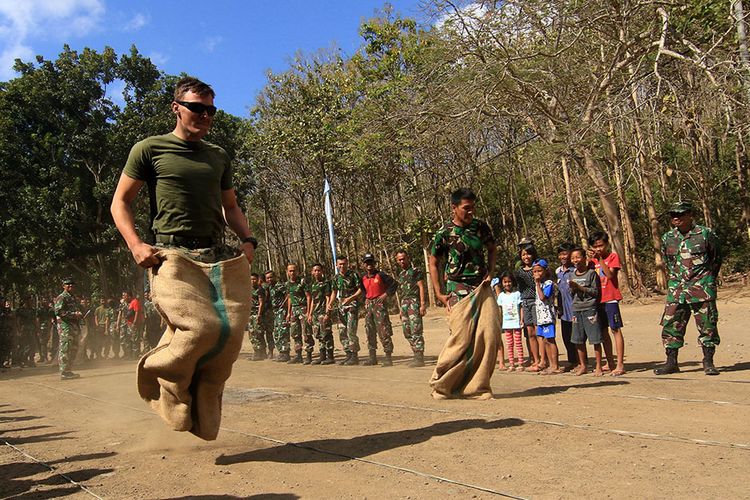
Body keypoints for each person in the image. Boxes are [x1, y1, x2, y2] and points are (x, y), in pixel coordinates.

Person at [110, 76, 256, 440]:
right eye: (196, 108)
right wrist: (136, 245)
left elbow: (231, 206)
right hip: (171, 254)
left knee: (230, 334)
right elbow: (120, 202)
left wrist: (248, 239)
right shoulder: (150, 148)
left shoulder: (218, 155)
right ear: (176, 107)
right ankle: (164, 383)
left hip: (216, 253)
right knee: (200, 328)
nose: (204, 115)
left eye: (210, 110)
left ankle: (205, 400)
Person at [655, 201, 722, 376]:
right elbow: (669, 262)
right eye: (673, 215)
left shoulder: (705, 234)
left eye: (680, 214)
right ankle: (671, 362)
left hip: (701, 288)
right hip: (677, 290)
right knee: (671, 325)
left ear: (690, 215)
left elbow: (716, 259)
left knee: (707, 325)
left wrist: (707, 280)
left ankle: (708, 362)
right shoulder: (668, 238)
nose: (676, 218)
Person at [428, 188, 497, 308]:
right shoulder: (444, 233)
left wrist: (491, 272)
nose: (471, 211)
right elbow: (433, 263)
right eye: (466, 208)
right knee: (461, 326)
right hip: (457, 288)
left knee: (489, 326)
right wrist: (438, 293)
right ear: (454, 208)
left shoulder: (480, 227)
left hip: (481, 285)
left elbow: (492, 249)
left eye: (473, 207)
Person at [588, 231, 626, 376]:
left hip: (610, 298)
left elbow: (610, 275)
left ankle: (620, 364)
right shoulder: (591, 262)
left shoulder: (612, 257)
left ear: (607, 244)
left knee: (615, 330)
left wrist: (601, 260)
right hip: (597, 300)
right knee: (603, 332)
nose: (599, 249)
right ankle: (610, 362)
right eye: (595, 246)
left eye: (601, 245)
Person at [361, 253, 398, 367]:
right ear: (364, 264)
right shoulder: (363, 278)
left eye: (371, 262)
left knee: (383, 330)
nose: (369, 265)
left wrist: (385, 295)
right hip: (369, 307)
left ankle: (388, 357)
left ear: (374, 263)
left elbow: (394, 284)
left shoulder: (380, 275)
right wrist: (365, 298)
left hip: (379, 305)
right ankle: (372, 357)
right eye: (367, 262)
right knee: (369, 331)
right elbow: (362, 290)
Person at [395, 250, 427, 368]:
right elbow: (401, 292)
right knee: (406, 331)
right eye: (399, 259)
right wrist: (400, 309)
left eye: (403, 258)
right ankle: (415, 352)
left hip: (414, 302)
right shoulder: (401, 275)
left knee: (416, 329)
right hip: (404, 304)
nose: (402, 261)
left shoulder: (415, 271)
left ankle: (419, 356)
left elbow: (421, 287)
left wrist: (422, 304)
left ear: (408, 258)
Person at [514, 245, 542, 371]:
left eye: (528, 254)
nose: (526, 257)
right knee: (529, 333)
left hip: (537, 302)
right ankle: (534, 360)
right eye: (523, 254)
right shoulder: (519, 272)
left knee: (538, 332)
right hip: (525, 302)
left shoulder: (538, 269)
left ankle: (543, 360)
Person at [332, 256, 363, 365]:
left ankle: (354, 355)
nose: (342, 266)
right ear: (336, 265)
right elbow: (334, 292)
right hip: (341, 307)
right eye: (340, 264)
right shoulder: (336, 278)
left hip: (352, 305)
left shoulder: (353, 275)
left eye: (344, 264)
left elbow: (360, 290)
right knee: (342, 331)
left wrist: (350, 298)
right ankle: (348, 354)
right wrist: (330, 304)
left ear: (347, 263)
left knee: (351, 330)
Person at [532, 259, 561, 374]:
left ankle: (555, 365)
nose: (537, 274)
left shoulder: (548, 283)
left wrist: (538, 284)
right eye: (535, 272)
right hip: (541, 317)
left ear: (545, 271)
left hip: (548, 316)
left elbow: (543, 297)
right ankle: (550, 364)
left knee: (550, 340)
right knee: (544, 340)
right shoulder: (538, 284)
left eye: (540, 271)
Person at [555, 243, 579, 370]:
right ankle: (572, 361)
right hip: (564, 310)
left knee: (577, 336)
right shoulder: (558, 271)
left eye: (565, 253)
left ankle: (581, 361)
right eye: (561, 254)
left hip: (575, 308)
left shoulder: (575, 270)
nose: (563, 257)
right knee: (566, 336)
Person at [54, 278, 83, 380]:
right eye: (68, 284)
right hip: (65, 327)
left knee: (74, 348)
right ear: (63, 286)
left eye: (72, 284)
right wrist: (74, 314)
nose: (70, 286)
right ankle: (64, 372)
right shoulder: (61, 297)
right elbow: (58, 312)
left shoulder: (72, 298)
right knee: (65, 349)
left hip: (73, 327)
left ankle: (68, 370)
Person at [307, 263, 334, 365]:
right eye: (315, 270)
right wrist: (310, 313)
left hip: (323, 312)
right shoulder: (313, 285)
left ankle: (330, 356)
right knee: (318, 334)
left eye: (319, 270)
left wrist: (327, 313)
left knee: (326, 334)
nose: (317, 272)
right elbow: (313, 300)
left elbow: (328, 298)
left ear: (322, 272)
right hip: (315, 313)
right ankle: (322, 356)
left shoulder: (326, 283)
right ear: (312, 272)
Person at [286, 263, 312, 364]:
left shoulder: (302, 281)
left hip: (303, 308)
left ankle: (309, 355)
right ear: (287, 272)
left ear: (297, 271)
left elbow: (309, 297)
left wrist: (309, 312)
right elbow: (289, 298)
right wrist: (288, 313)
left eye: (294, 270)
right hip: (294, 310)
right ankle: (298, 355)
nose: (292, 273)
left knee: (306, 333)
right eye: (290, 271)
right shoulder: (288, 284)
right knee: (295, 333)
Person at [497, 271, 523, 371]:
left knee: (518, 343)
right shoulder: (501, 296)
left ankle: (520, 363)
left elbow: (521, 307)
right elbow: (499, 309)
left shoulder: (517, 294)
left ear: (513, 282)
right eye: (505, 282)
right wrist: (499, 321)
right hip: (506, 324)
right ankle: (512, 364)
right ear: (502, 283)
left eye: (509, 281)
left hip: (516, 323)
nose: (507, 284)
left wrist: (521, 319)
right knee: (509, 344)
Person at [266, 270, 291, 362]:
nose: (269, 279)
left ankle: (285, 353)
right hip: (275, 311)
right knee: (276, 332)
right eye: (267, 278)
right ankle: (281, 352)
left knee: (283, 331)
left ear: (275, 277)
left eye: (271, 277)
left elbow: (288, 295)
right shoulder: (270, 287)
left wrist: (286, 309)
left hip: (281, 311)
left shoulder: (280, 286)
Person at [247, 273, 269, 361]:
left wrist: (259, 315)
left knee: (257, 333)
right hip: (250, 314)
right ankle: (260, 352)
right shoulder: (249, 289)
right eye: (251, 279)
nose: (252, 281)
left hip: (257, 314)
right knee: (252, 333)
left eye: (254, 279)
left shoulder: (260, 290)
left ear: (258, 280)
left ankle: (259, 352)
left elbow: (261, 303)